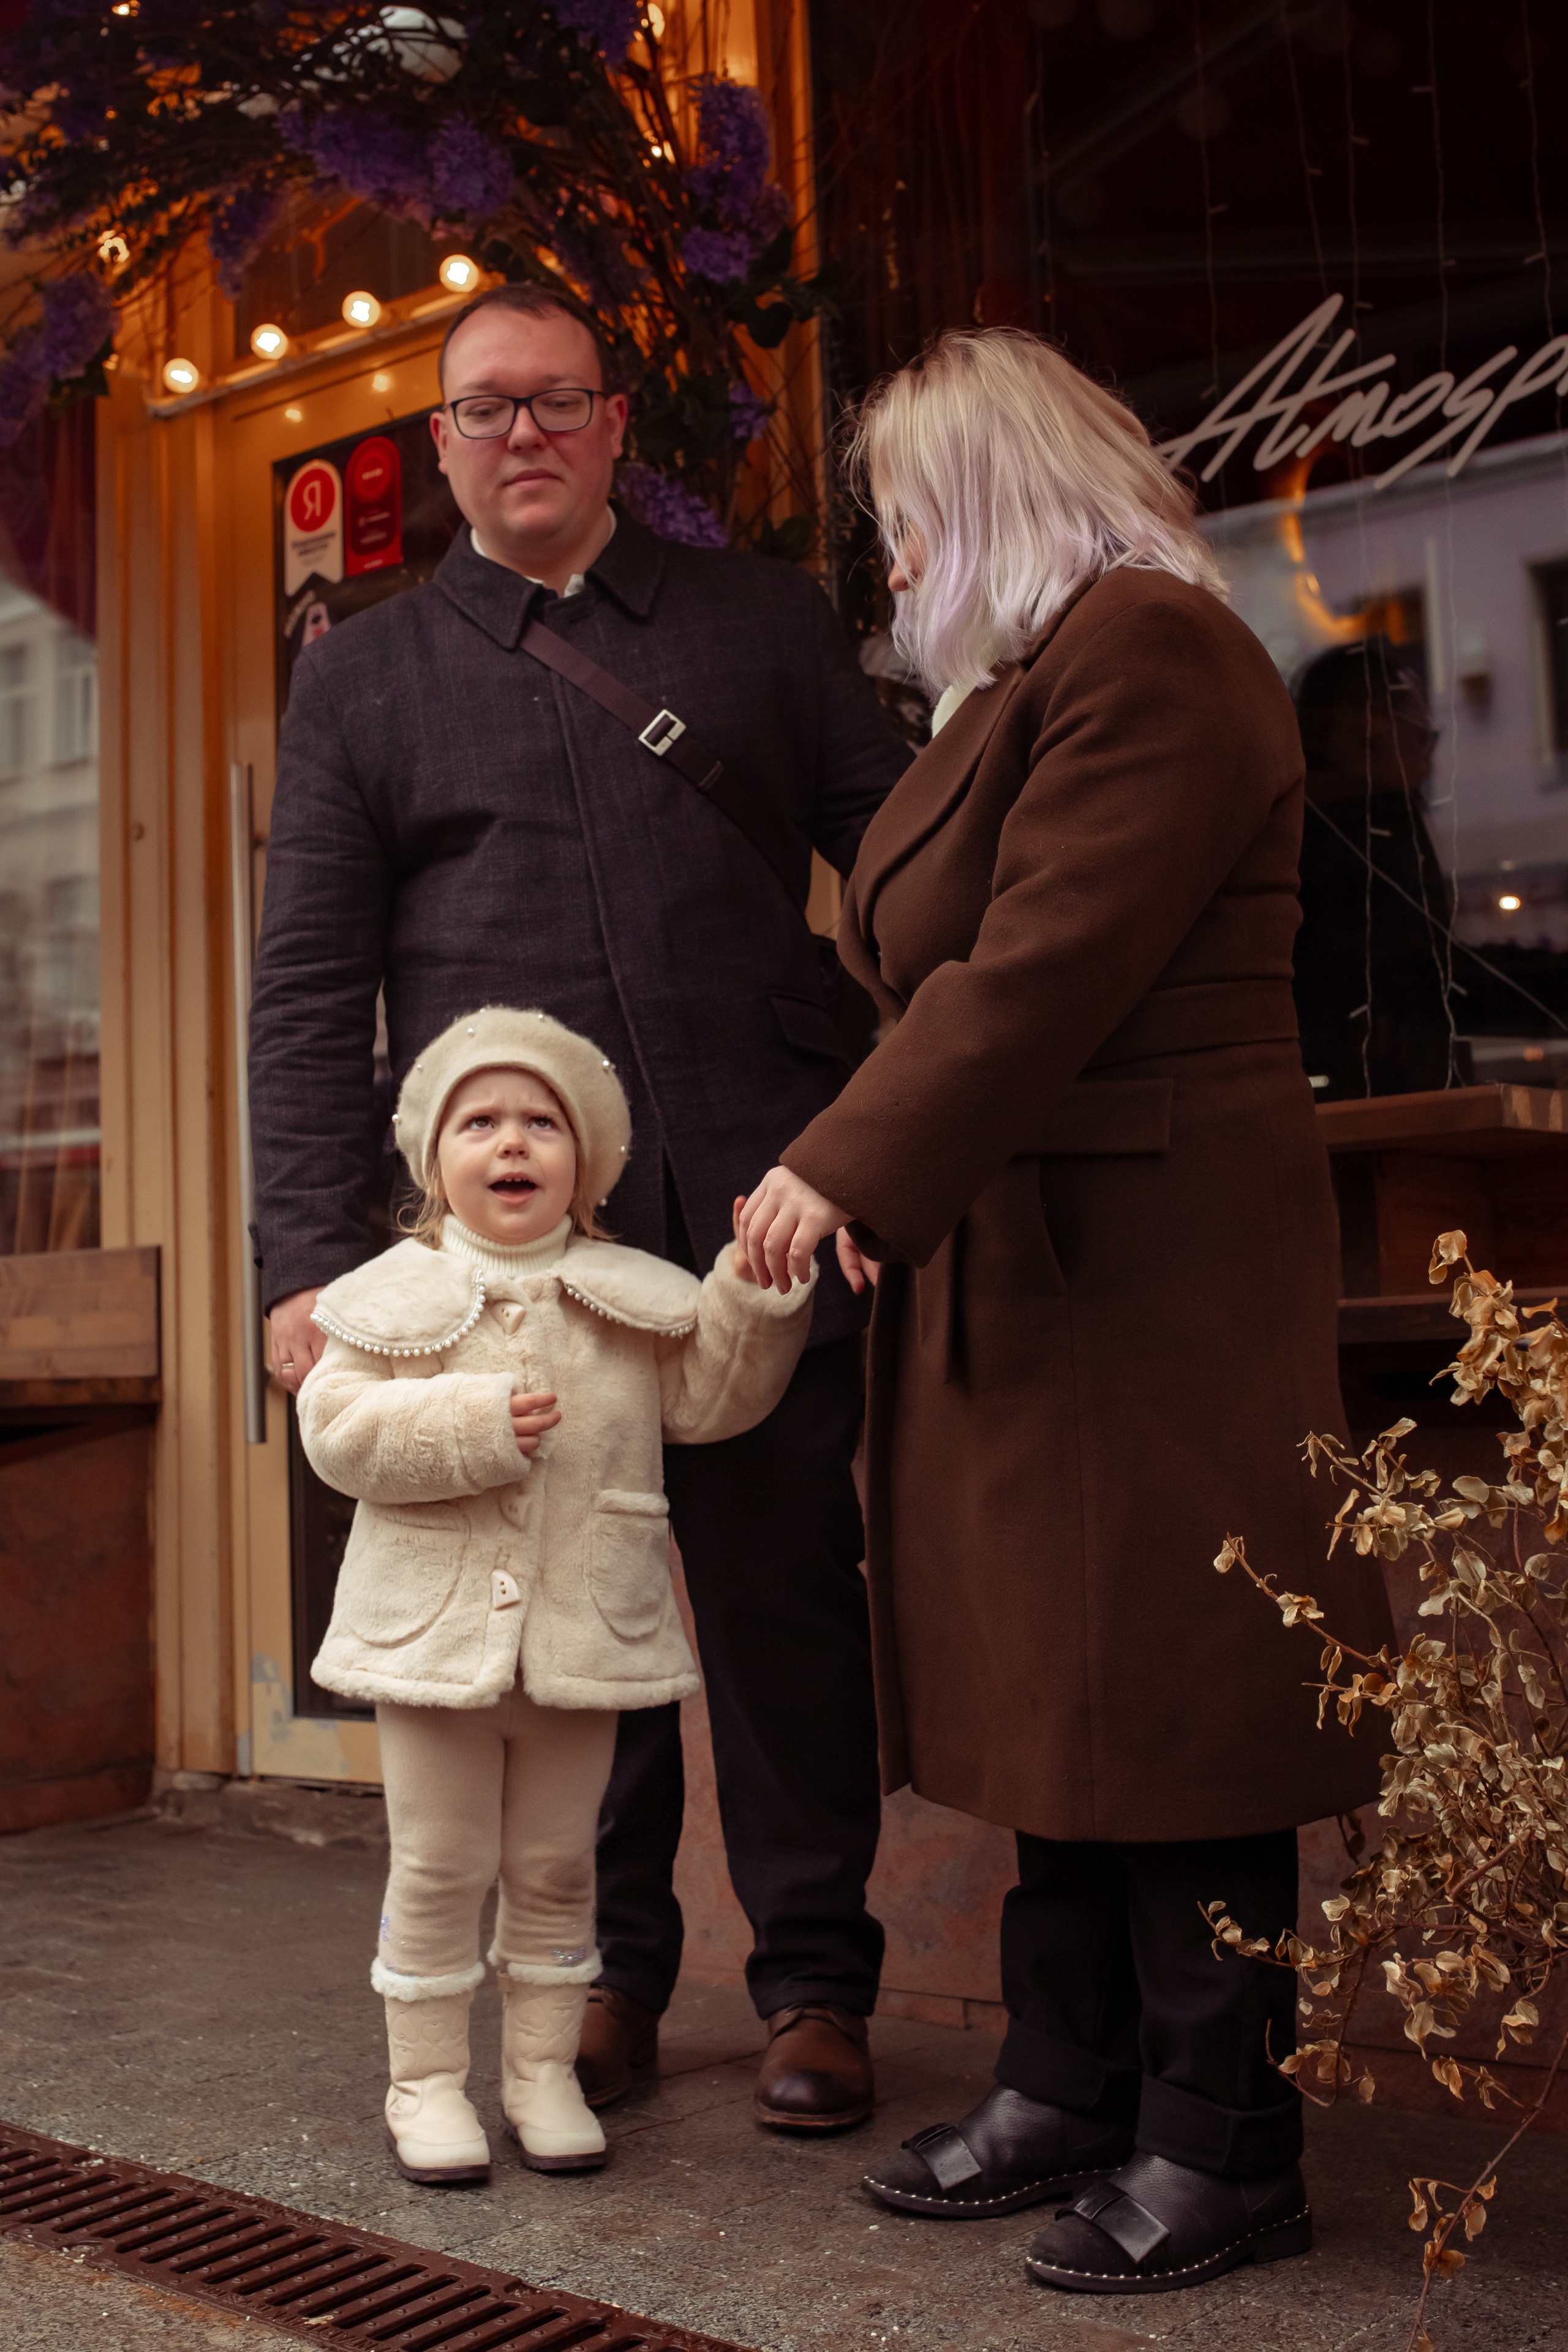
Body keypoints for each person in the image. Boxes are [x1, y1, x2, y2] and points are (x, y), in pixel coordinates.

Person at [738, 329, 1394, 2294]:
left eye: (907, 513)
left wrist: (845, 1159)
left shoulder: (1151, 652)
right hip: (1035, 1267)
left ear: (991, 487)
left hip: (1145, 1273)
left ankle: (1222, 2134)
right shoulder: (1027, 680)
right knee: (1055, 1690)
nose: (893, 554)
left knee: (1163, 1700)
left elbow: (1034, 966)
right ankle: (1068, 2076)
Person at [250, 281, 910, 2131]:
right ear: (440, 446)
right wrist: (308, 1260)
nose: (518, 434)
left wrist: (900, 1135)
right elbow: (307, 985)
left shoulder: (759, 624)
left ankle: (814, 1986)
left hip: (760, 1222)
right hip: (506, 1255)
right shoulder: (364, 673)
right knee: (560, 1619)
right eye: (481, 410)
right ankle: (600, 1980)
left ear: (618, 426)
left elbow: (921, 868)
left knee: (786, 1599)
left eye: (554, 402)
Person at [299, 1006, 816, 2182]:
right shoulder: (390, 1293)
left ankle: (539, 2073)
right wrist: (471, 1426)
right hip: (433, 1642)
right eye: (480, 1122)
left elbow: (709, 1401)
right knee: (439, 1863)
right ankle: (426, 2084)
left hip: (581, 1629)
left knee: (555, 1865)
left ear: (587, 1162)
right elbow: (335, 1431)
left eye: (542, 1122)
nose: (512, 1142)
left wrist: (752, 1293)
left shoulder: (633, 1292)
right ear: (437, 1160)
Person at [1291, 638, 1463, 1098]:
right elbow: (1402, 954)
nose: (1426, 758)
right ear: (1363, 731)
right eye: (1422, 735)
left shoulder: (1366, 818)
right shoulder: (1341, 831)